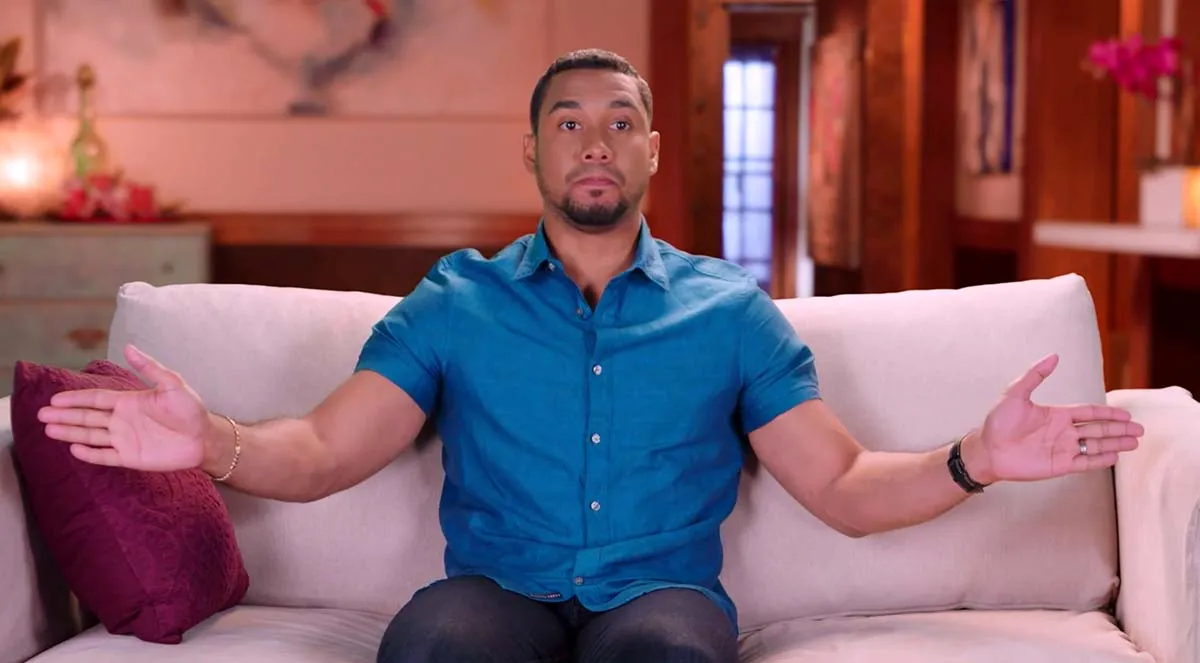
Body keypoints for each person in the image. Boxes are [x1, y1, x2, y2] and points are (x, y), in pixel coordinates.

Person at [36, 49, 1143, 663]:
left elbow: (845, 485)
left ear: (653, 150)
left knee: (671, 658)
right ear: (531, 151)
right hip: (493, 595)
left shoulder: (730, 310)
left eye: (620, 122)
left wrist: (977, 458)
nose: (595, 141)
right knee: (434, 646)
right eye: (568, 122)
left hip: (661, 602)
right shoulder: (457, 301)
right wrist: (210, 442)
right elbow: (326, 449)